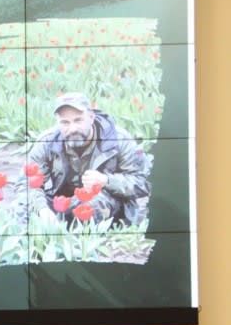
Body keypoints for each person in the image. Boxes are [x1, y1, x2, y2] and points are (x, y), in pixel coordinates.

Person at [26, 92, 151, 226]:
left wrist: (106, 180)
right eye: (65, 122)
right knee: (24, 204)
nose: (73, 129)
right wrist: (42, 209)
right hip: (61, 201)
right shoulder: (46, 142)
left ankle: (74, 231)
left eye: (78, 120)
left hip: (105, 201)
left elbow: (143, 184)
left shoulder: (119, 140)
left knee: (93, 205)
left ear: (91, 117)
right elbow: (27, 183)